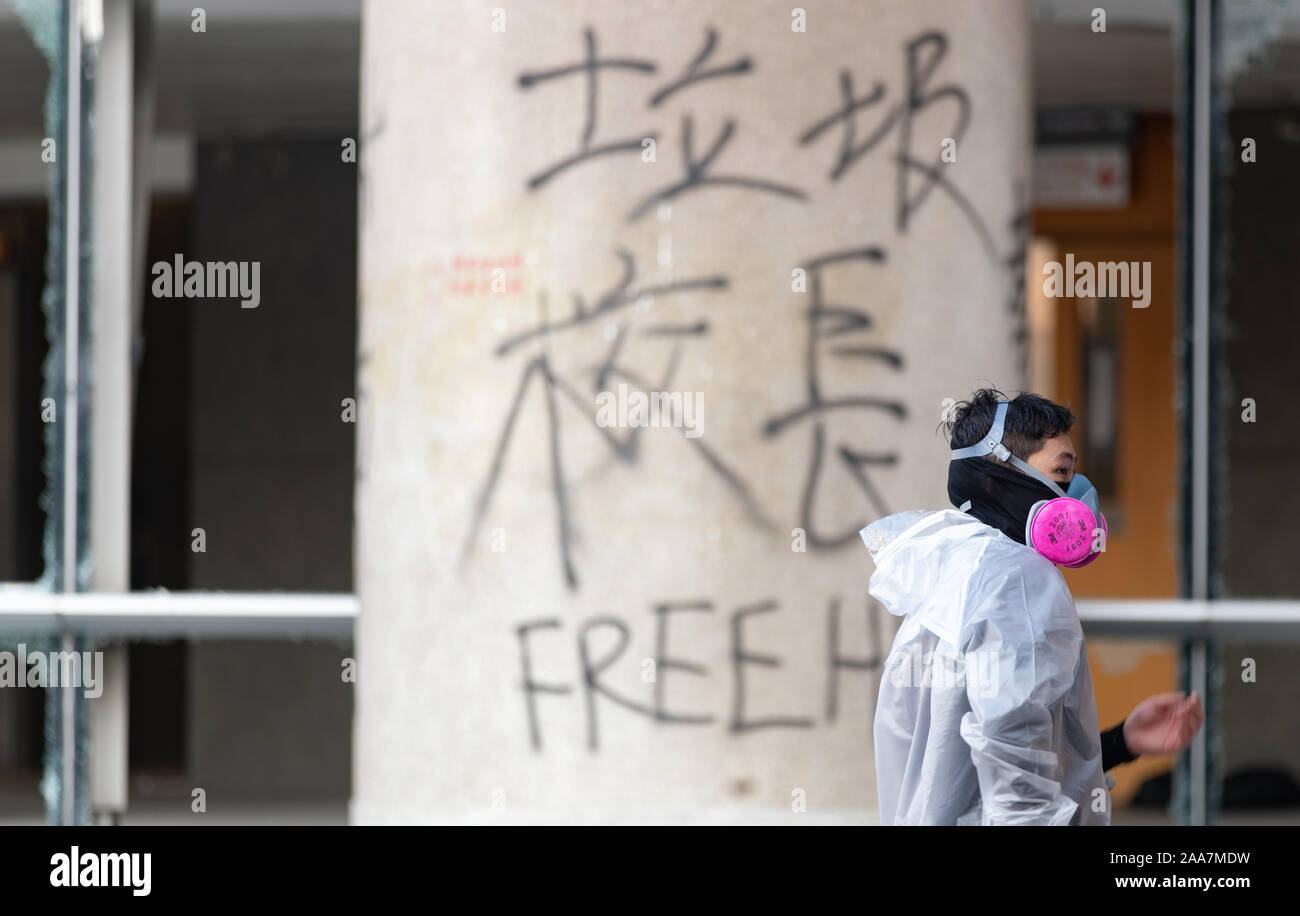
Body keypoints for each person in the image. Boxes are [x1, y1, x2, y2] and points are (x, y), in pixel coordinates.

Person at [863, 388, 1204, 825]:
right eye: (1061, 470)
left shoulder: (955, 571)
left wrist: (1119, 743)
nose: (1075, 492)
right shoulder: (1019, 577)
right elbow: (1011, 763)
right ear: (1001, 473)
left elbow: (980, 752)